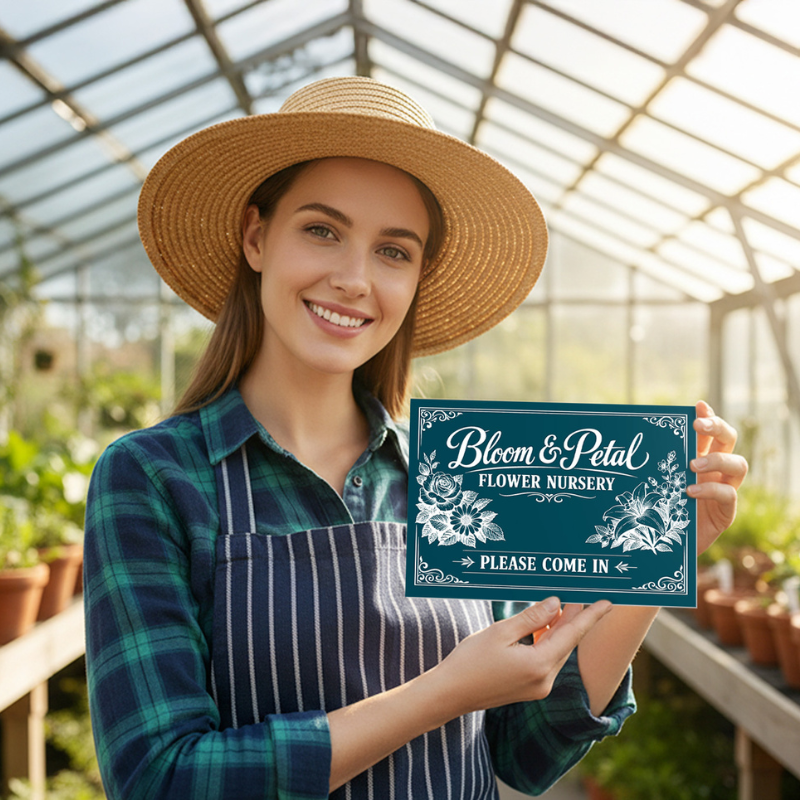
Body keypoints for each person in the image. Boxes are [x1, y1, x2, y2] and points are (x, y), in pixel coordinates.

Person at [83, 77, 747, 800]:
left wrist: (657, 553)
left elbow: (523, 750)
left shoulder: (451, 477)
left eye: (394, 251)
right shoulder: (154, 477)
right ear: (255, 237)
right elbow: (157, 778)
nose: (353, 278)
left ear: (418, 276)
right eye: (321, 230)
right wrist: (439, 694)